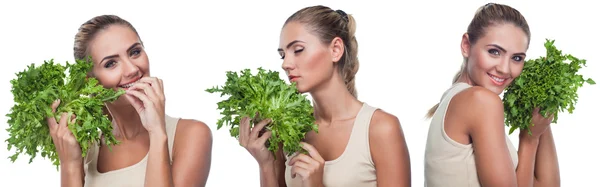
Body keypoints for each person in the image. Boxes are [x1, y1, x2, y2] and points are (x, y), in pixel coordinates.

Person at [238, 5, 411, 187]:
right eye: (282, 55)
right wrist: (266, 164)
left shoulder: (380, 129)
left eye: (297, 50)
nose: (286, 64)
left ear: (335, 49)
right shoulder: (292, 132)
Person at [46, 15, 212, 187]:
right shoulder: (86, 149)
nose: (132, 69)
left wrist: (156, 132)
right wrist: (70, 165)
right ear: (91, 81)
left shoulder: (190, 135)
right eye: (111, 63)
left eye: (135, 52)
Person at [424, 3, 560, 187]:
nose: (504, 69)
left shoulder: (457, 98)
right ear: (466, 45)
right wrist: (530, 139)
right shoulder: (481, 100)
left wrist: (539, 104)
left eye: (517, 58)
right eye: (494, 52)